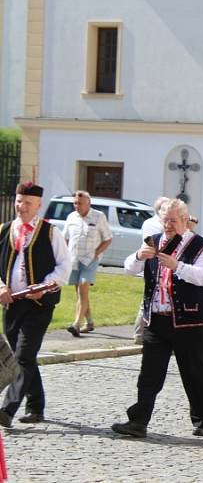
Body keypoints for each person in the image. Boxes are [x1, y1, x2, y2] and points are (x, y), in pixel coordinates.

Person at [112, 198, 203, 439]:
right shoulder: (154, 242)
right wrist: (139, 255)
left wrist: (177, 265)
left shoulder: (201, 246)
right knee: (149, 373)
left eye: (173, 220)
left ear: (185, 220)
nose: (168, 225)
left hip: (189, 321)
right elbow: (129, 268)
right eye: (164, 220)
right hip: (157, 319)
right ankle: (138, 421)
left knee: (196, 373)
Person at [0, 182, 71, 428]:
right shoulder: (5, 230)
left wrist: (42, 287)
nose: (22, 206)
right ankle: (36, 406)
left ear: (39, 204)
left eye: (28, 202)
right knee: (24, 357)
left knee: (23, 355)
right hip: (11, 304)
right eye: (19, 201)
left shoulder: (51, 232)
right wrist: (1, 287)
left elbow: (64, 267)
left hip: (40, 305)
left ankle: (8, 409)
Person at [63, 190, 112, 336]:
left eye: (80, 203)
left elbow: (108, 238)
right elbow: (64, 238)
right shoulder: (71, 217)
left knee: (83, 287)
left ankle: (76, 323)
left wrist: (96, 254)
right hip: (74, 259)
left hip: (90, 259)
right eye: (75, 203)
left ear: (88, 203)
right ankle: (89, 322)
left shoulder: (99, 216)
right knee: (80, 293)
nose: (77, 206)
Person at [134, 196, 169, 344]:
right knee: (150, 299)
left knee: (148, 298)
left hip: (152, 262)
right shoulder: (158, 225)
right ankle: (140, 334)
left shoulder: (147, 222)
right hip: (157, 263)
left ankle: (139, 334)